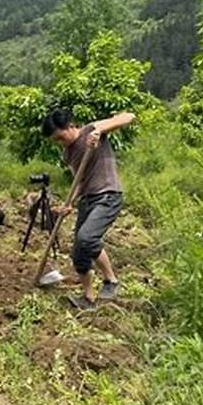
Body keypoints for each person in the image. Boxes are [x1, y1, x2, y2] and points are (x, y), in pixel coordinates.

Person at [41, 108, 135, 309]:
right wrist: (69, 203)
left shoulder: (90, 130)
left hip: (107, 194)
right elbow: (79, 181)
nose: (60, 142)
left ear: (71, 126)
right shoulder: (67, 154)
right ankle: (88, 297)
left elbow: (128, 117)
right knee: (78, 252)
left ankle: (111, 281)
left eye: (60, 136)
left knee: (87, 238)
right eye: (55, 141)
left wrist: (99, 130)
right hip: (87, 199)